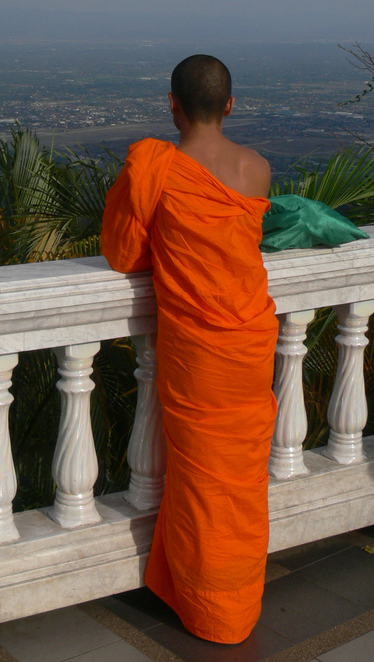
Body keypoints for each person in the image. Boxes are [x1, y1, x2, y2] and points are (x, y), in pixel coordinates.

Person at [100, 54, 278, 644]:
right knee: (239, 482)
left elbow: (124, 253)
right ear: (230, 105)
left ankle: (206, 607)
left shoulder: (157, 169)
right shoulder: (258, 170)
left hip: (199, 357)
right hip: (249, 346)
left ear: (171, 103)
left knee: (203, 482)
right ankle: (235, 604)